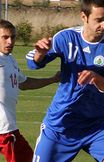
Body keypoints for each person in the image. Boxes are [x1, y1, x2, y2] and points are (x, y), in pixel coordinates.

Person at [25, 0, 104, 161]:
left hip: (95, 126)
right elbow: (32, 63)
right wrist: (40, 53)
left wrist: (96, 77)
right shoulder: (66, 38)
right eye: (99, 20)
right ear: (84, 16)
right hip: (60, 126)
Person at [0, 19, 60, 162]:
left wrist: (52, 79)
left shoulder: (10, 60)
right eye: (5, 37)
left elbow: (25, 83)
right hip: (4, 128)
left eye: (12, 37)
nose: (10, 42)